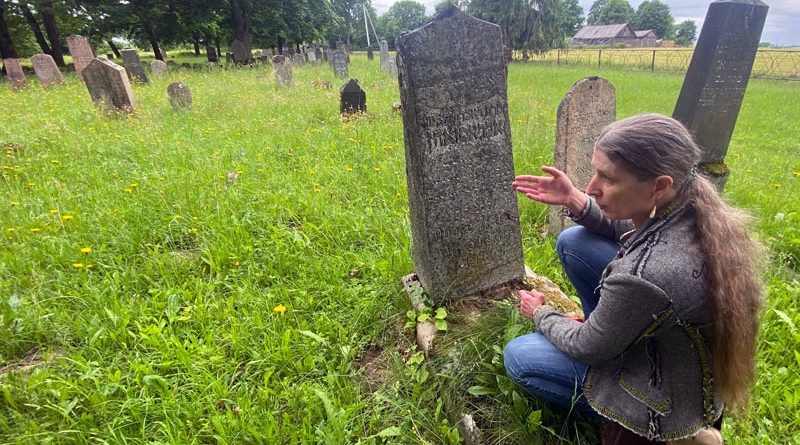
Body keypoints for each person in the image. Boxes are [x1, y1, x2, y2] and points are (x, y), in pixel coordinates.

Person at [503, 114, 764, 444]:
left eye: (607, 178)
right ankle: (609, 325)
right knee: (575, 242)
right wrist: (575, 201)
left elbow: (585, 347)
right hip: (682, 358)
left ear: (659, 185)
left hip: (662, 395)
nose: (592, 187)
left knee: (521, 356)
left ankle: (679, 435)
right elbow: (635, 230)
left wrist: (542, 313)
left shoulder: (647, 275)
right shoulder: (690, 204)